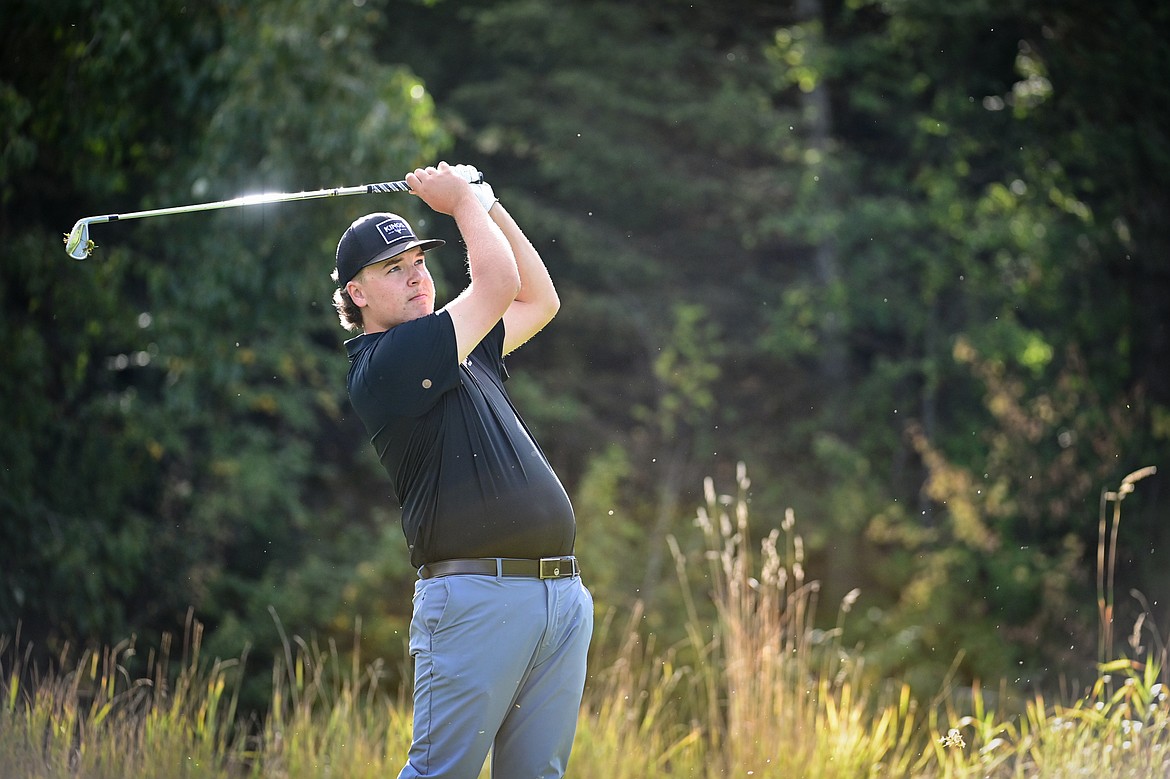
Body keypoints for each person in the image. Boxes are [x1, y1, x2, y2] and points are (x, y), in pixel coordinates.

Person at [330, 161, 593, 779]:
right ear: (356, 295)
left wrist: (487, 200)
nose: (416, 278)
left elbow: (540, 298)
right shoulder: (389, 360)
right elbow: (498, 283)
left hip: (556, 595)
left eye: (419, 263)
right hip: (477, 597)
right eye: (393, 269)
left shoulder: (461, 348)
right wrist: (460, 204)